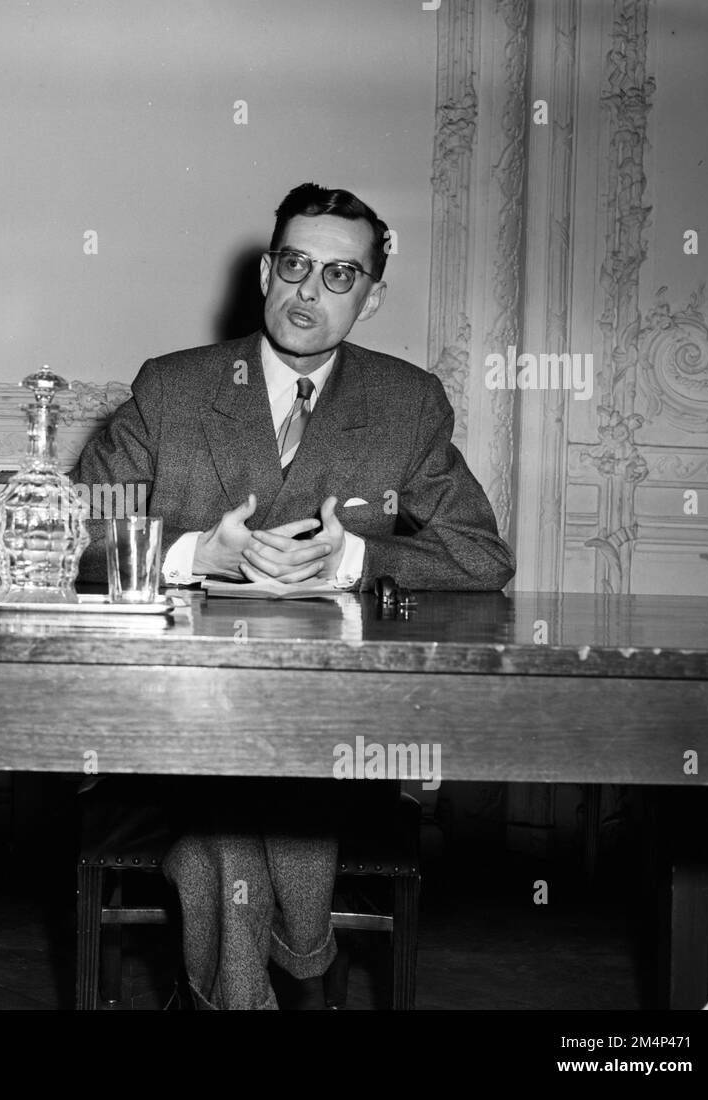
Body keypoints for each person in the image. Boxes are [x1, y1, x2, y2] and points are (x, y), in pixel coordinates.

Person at [72, 182, 515, 1009]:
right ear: (266, 270)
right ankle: (310, 970)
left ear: (372, 297)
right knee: (232, 835)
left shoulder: (407, 402)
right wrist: (192, 551)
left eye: (339, 276)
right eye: (294, 264)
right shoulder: (172, 388)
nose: (308, 291)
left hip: (335, 734)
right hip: (170, 724)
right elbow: (73, 537)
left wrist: (350, 558)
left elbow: (481, 554)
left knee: (228, 845)